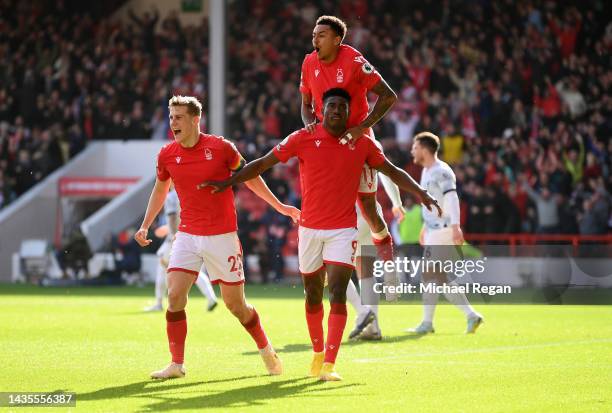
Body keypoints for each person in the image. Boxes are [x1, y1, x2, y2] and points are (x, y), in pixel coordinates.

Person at [200, 88, 440, 381]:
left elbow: (391, 171)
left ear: (349, 111)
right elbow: (263, 163)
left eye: (342, 106)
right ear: (321, 111)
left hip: (342, 230)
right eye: (331, 106)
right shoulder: (303, 138)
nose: (337, 110)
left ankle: (329, 363)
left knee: (337, 293)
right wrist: (230, 181)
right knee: (313, 296)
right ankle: (316, 354)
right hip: (310, 230)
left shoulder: (362, 143)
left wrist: (420, 192)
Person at [135, 95, 300, 379]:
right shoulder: (166, 154)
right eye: (171, 116)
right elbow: (160, 190)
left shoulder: (221, 148)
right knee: (174, 296)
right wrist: (145, 224)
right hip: (187, 235)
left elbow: (250, 176)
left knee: (236, 306)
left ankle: (265, 349)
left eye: (178, 117)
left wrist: (280, 207)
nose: (172, 122)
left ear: (196, 119)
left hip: (222, 236)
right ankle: (177, 364)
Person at [300, 15, 405, 340]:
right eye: (314, 34)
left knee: (369, 209)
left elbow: (388, 96)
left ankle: (388, 258)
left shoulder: (354, 60)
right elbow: (305, 103)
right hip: (324, 142)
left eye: (321, 35)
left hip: (356, 140)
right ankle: (368, 317)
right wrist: (308, 123)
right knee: (326, 218)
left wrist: (362, 128)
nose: (315, 40)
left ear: (337, 40)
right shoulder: (308, 63)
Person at [407, 132, 484, 335]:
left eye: (415, 147)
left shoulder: (441, 171)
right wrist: (426, 225)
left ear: (424, 149)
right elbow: (435, 202)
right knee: (438, 278)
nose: (412, 151)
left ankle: (428, 323)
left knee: (430, 275)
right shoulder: (427, 171)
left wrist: (456, 226)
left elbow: (452, 199)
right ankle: (470, 315)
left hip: (443, 230)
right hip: (436, 229)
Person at [144, 185, 218, 312]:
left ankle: (158, 303)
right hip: (193, 237)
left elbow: (173, 218)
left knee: (162, 267)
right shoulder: (190, 193)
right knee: (194, 272)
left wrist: (173, 236)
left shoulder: (171, 196)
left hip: (177, 239)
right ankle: (211, 298)